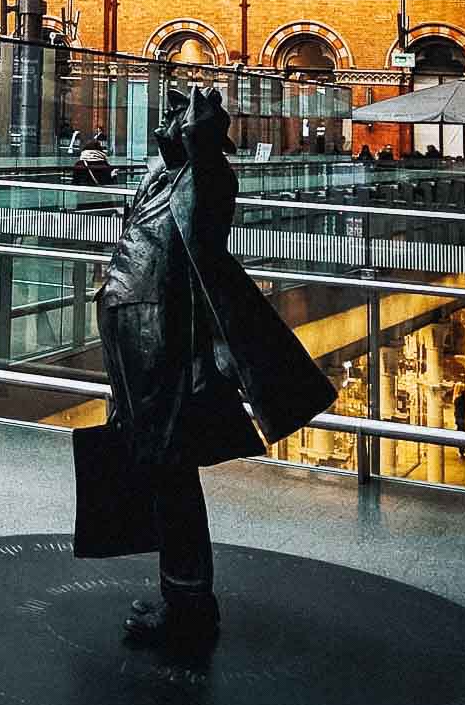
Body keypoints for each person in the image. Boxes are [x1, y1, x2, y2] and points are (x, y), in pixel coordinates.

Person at [88, 85, 337, 653]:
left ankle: (189, 602)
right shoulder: (163, 176)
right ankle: (181, 594)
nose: (164, 123)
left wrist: (198, 118)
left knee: (170, 469)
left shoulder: (208, 178)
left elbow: (201, 193)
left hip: (165, 339)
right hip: (138, 335)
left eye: (177, 115)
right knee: (154, 465)